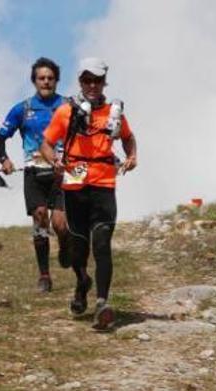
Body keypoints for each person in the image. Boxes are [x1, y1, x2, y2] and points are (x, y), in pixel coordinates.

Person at [40, 57, 138, 330]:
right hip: (75, 179)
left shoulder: (113, 112)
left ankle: (102, 303)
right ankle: (82, 281)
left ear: (104, 81)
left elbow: (128, 137)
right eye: (87, 80)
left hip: (104, 182)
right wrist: (53, 161)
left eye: (97, 80)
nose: (92, 85)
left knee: (102, 243)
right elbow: (47, 144)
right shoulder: (66, 112)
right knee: (79, 246)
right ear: (80, 82)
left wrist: (132, 156)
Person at [0, 57, 69, 292]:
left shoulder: (68, 106)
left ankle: (66, 247)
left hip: (62, 173)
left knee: (59, 223)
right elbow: (0, 138)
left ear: (56, 80)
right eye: (41, 78)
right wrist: (4, 158)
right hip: (33, 172)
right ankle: (44, 275)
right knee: (39, 217)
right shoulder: (23, 109)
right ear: (34, 81)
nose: (46, 82)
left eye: (50, 78)